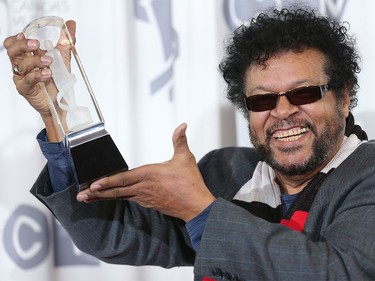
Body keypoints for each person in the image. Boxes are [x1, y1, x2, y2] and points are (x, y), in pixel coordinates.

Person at [4, 6, 375, 281]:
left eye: (304, 93)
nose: (282, 111)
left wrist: (202, 211)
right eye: (262, 100)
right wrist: (60, 109)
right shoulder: (228, 172)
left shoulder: (368, 172)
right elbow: (109, 233)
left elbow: (344, 272)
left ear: (343, 98)